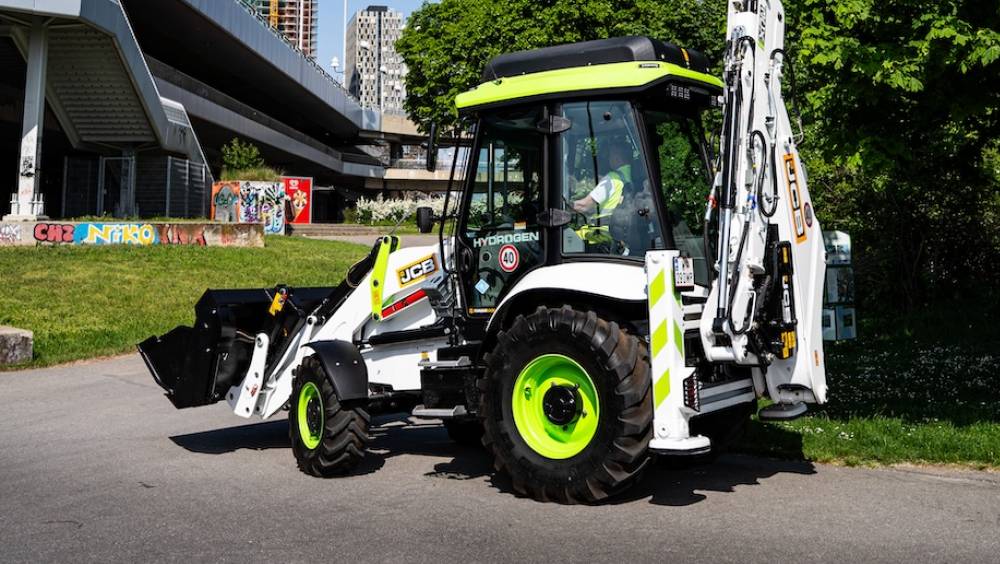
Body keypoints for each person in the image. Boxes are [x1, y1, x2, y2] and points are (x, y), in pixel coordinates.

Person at [572, 143, 632, 215]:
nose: (608, 158)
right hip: (614, 223)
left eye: (610, 155)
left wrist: (564, 207)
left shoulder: (612, 179)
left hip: (600, 225)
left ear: (617, 158)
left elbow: (584, 206)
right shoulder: (630, 175)